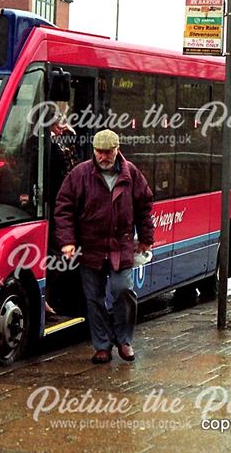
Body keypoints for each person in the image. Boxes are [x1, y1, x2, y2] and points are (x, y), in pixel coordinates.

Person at [54, 129, 155, 364]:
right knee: (94, 298)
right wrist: (67, 241)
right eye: (99, 152)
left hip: (121, 245)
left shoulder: (131, 174)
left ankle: (124, 340)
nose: (103, 157)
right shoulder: (80, 174)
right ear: (94, 152)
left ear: (117, 150)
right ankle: (101, 346)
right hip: (91, 247)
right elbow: (64, 208)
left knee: (123, 291)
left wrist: (146, 237)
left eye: (107, 152)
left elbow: (144, 206)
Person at [43, 105, 78, 319]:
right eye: (58, 122)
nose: (61, 127)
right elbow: (70, 171)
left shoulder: (51, 143)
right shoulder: (52, 147)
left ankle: (47, 297)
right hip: (55, 209)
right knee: (59, 256)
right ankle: (45, 297)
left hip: (54, 208)